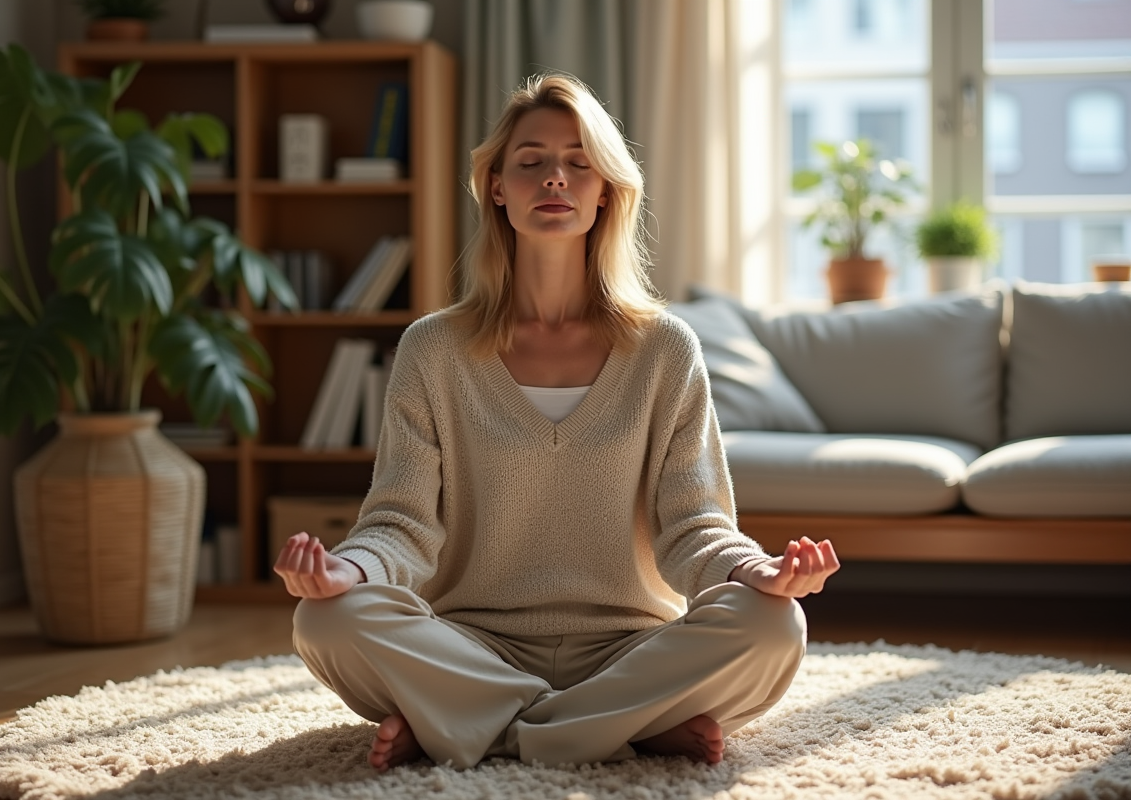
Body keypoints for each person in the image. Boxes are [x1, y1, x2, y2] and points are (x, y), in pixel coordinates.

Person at [273, 73, 840, 773]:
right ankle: (619, 727)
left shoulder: (665, 349)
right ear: (497, 188)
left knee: (773, 624)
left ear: (606, 191)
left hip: (630, 646)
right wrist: (344, 569)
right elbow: (402, 523)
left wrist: (757, 569)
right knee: (325, 618)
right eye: (531, 160)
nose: (555, 178)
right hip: (472, 644)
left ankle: (466, 723)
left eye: (579, 162)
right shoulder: (433, 349)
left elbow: (693, 524)